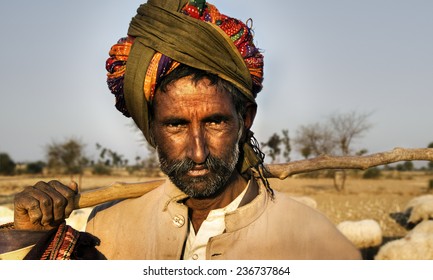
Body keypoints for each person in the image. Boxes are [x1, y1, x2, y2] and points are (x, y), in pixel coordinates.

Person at [0, 0, 361, 260]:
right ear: (151, 129)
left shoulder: (318, 246)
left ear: (245, 118)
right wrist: (26, 233)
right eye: (175, 125)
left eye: (215, 121)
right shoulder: (106, 226)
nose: (198, 152)